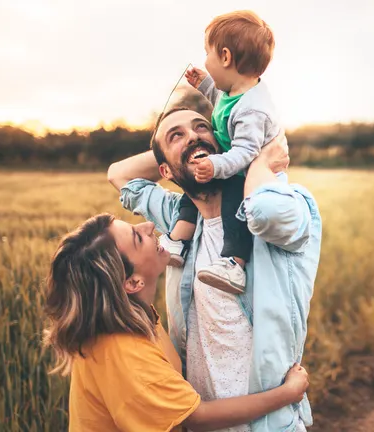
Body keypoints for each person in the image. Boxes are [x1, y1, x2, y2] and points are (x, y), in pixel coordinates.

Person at [107, 107, 322, 431]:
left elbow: (266, 211)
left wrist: (252, 156)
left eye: (201, 127)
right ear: (164, 170)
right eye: (177, 134)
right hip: (204, 422)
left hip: (267, 424)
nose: (193, 135)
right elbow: (118, 174)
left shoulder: (285, 208)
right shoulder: (179, 222)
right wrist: (180, 152)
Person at [42, 213, 310, 431]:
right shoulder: (126, 353)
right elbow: (197, 416)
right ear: (133, 282)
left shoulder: (134, 317)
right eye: (137, 237)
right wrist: (287, 394)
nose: (148, 225)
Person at [160, 10, 279, 296]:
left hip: (249, 174)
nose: (205, 60)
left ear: (225, 57)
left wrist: (216, 165)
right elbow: (222, 101)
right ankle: (178, 241)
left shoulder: (253, 109)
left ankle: (234, 263)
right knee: (193, 190)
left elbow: (246, 151)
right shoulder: (235, 91)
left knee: (234, 207)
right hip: (231, 162)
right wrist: (204, 84)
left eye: (207, 54)